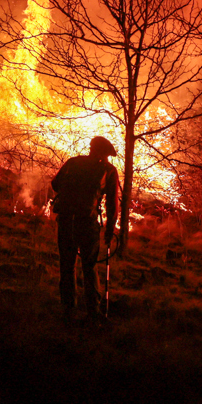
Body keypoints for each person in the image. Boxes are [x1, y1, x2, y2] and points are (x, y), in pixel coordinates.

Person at [50, 135, 121, 319]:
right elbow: (112, 205)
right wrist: (110, 228)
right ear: (105, 154)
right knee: (89, 267)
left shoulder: (73, 162)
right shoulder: (108, 170)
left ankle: (68, 309)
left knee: (67, 265)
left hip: (66, 220)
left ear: (90, 148)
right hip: (87, 223)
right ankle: (93, 311)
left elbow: (55, 185)